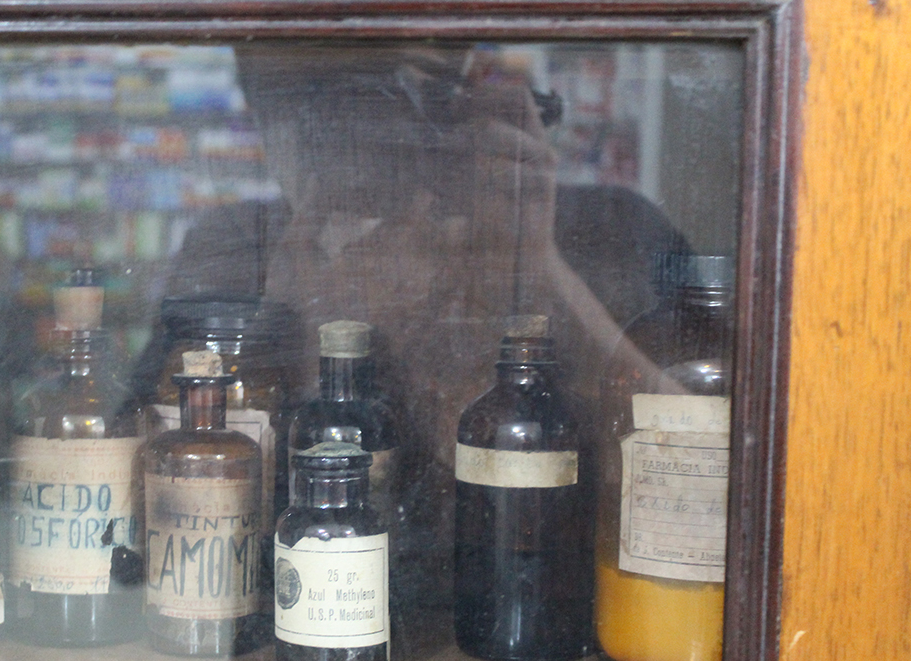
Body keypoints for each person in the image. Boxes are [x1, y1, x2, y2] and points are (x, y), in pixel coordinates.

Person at [144, 42, 695, 614]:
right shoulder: (233, 249)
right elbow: (162, 480)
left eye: (416, 100)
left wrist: (536, 263)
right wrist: (285, 325)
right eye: (323, 111)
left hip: (540, 612)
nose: (366, 144)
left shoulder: (609, 228)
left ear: (461, 111)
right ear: (266, 123)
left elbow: (688, 467)